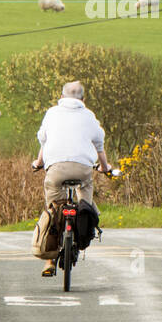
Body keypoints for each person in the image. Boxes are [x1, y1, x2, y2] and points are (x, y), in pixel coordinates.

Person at [31, 80, 112, 276]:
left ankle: (49, 260)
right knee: (85, 194)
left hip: (55, 169)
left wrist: (39, 162)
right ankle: (83, 225)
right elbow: (99, 145)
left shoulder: (52, 113)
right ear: (83, 99)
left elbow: (44, 140)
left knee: (53, 210)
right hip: (83, 168)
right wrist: (105, 167)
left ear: (61, 97)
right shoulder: (89, 116)